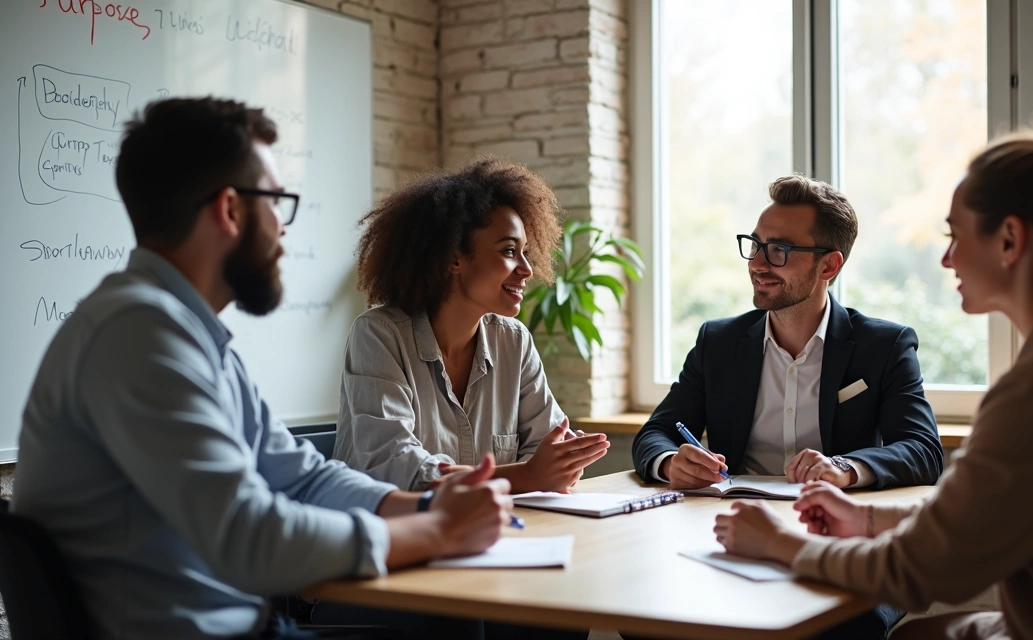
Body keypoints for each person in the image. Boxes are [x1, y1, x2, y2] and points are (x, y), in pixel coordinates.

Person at [11, 97, 517, 640]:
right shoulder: (137, 336)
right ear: (229, 210)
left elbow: (300, 475)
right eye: (277, 201)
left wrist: (424, 502)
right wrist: (437, 531)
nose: (283, 228)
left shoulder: (189, 336)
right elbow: (247, 536)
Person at [712, 79, 1033, 640]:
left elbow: (915, 573)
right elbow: (978, 516)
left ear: (1010, 241)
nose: (947, 259)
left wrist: (779, 543)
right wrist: (867, 519)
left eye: (956, 235)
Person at [631, 174, 943, 638]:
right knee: (647, 618)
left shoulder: (884, 346)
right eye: (754, 245)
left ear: (829, 266)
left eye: (778, 250)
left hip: (835, 544)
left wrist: (844, 468)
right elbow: (654, 434)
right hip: (732, 537)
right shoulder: (719, 342)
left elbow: (923, 450)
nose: (757, 262)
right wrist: (671, 461)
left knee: (841, 629)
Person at [332, 158, 610, 495]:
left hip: (493, 533)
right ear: (453, 258)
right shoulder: (379, 335)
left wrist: (561, 462)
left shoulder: (513, 341)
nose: (527, 269)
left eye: (526, 252)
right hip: (392, 539)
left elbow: (544, 452)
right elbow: (393, 466)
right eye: (509, 251)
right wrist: (527, 475)